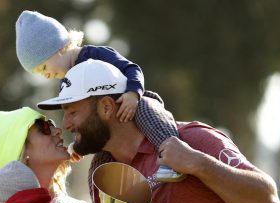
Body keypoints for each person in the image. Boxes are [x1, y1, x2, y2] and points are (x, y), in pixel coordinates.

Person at [37, 59, 280, 203]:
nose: (66, 124)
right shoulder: (102, 175)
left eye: (72, 112)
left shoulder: (192, 140)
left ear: (107, 107)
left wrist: (198, 163)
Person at [15, 10, 181, 180]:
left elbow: (131, 68)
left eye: (43, 68)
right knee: (98, 164)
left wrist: (133, 94)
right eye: (39, 73)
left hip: (131, 103)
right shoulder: (65, 83)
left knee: (147, 111)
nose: (46, 75)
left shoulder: (95, 55)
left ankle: (174, 160)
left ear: (59, 48)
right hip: (106, 126)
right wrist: (77, 144)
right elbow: (87, 122)